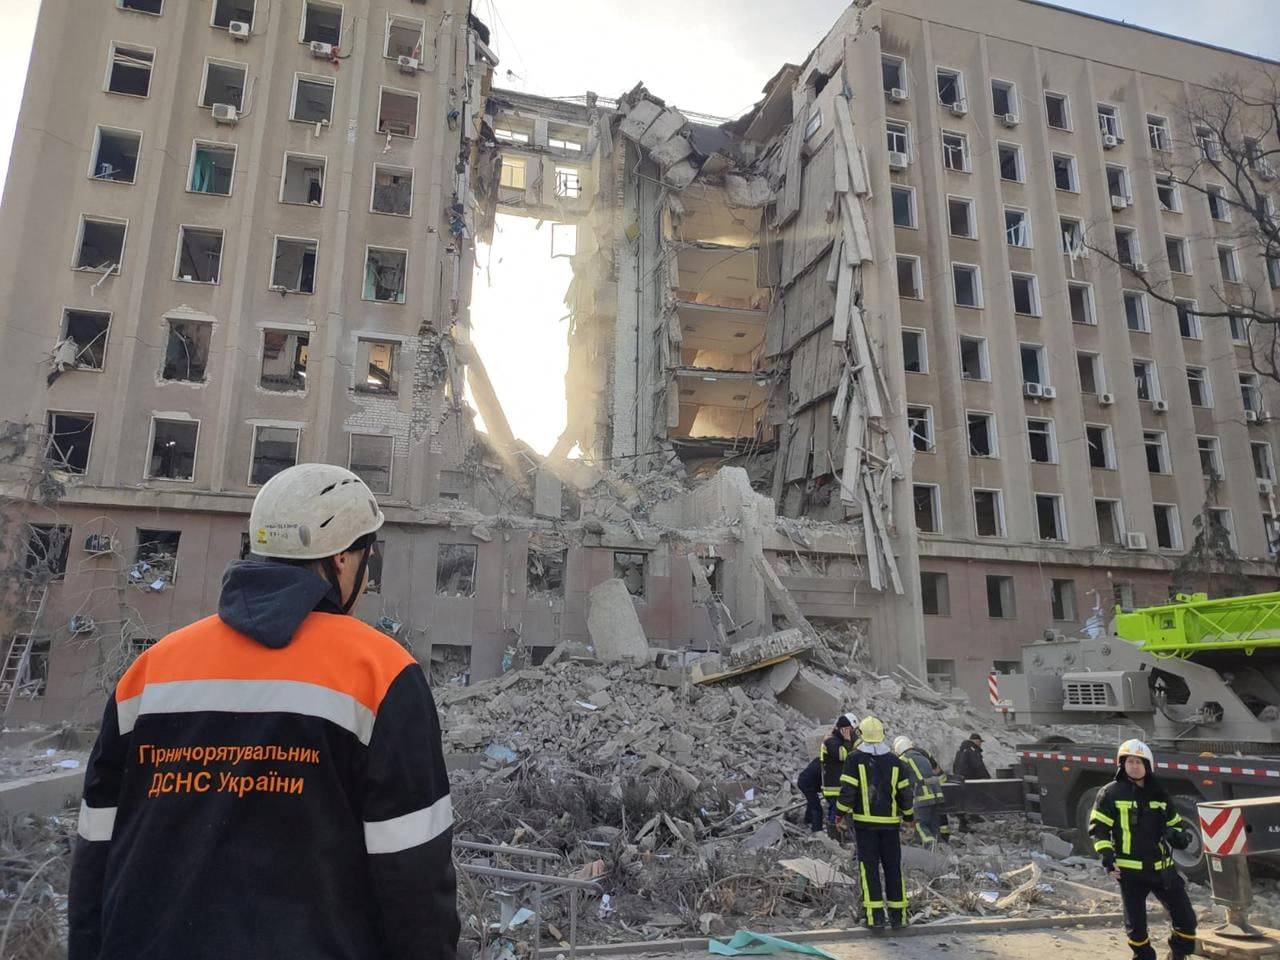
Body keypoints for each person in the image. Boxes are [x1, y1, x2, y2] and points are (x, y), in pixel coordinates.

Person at [68, 463, 459, 960]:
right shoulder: (380, 673)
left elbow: (95, 851)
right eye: (368, 558)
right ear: (343, 558)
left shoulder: (152, 669)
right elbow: (413, 877)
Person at [1089, 739, 1197, 960]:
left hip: (1162, 870)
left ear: (1148, 765)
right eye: (1129, 761)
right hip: (1130, 873)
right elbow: (1098, 829)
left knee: (1187, 920)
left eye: (1139, 761)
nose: (1134, 766)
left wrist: (1178, 837)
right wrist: (1108, 859)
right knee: (1136, 930)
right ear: (1122, 765)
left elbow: (1175, 824)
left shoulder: (1159, 794)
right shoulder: (1110, 793)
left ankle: (1178, 954)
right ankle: (1144, 957)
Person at [835, 715, 914, 931]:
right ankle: (899, 917)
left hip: (865, 826)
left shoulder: (854, 759)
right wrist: (909, 819)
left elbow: (847, 792)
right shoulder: (896, 761)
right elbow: (905, 794)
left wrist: (839, 814)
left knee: (869, 869)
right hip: (890, 825)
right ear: (882, 735)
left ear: (861, 735)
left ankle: (875, 917)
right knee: (893, 869)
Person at [893, 736, 943, 847]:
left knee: (919, 823)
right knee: (933, 823)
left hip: (922, 796)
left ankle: (930, 845)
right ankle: (937, 845)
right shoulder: (922, 757)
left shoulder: (903, 760)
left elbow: (902, 782)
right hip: (937, 795)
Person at [820, 713, 858, 826]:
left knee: (844, 812)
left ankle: (843, 836)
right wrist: (847, 740)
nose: (852, 733)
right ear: (844, 729)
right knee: (835, 812)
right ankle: (834, 839)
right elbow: (843, 756)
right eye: (850, 730)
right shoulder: (830, 740)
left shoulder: (837, 739)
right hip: (833, 787)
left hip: (840, 785)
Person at [951, 732, 990, 832]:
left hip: (961, 779)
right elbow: (978, 766)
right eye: (980, 742)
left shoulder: (961, 750)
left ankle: (970, 818)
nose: (980, 744)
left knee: (964, 801)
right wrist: (988, 779)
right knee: (972, 799)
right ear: (976, 741)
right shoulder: (972, 751)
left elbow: (955, 765)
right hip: (971, 779)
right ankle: (967, 822)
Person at [796, 758, 824, 832]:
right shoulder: (825, 766)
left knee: (812, 801)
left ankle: (808, 820)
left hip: (802, 780)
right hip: (807, 784)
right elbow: (822, 781)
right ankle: (817, 830)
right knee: (817, 808)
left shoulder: (818, 760)